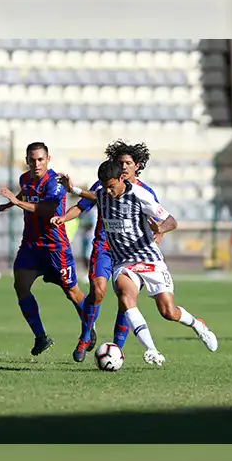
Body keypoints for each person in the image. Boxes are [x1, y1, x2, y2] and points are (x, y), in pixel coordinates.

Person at [56, 161, 218, 366]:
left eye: (111, 187)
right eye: (104, 187)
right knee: (126, 299)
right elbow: (95, 196)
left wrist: (160, 228)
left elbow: (171, 220)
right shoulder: (105, 194)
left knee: (168, 312)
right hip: (123, 263)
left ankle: (198, 325)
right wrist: (74, 189)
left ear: (122, 179)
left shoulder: (140, 196)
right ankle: (152, 350)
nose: (108, 191)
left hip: (149, 259)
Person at [57, 139, 160, 361]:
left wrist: (157, 235)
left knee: (126, 300)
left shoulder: (145, 192)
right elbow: (82, 206)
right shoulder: (103, 185)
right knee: (98, 291)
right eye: (120, 162)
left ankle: (116, 349)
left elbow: (157, 221)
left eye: (127, 163)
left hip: (133, 253)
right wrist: (63, 218)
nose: (123, 167)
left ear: (137, 166)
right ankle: (86, 335)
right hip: (104, 246)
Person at [0, 142, 93, 356]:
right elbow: (26, 193)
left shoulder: (54, 182)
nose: (36, 163)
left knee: (71, 292)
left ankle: (89, 327)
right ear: (27, 160)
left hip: (55, 247)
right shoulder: (24, 179)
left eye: (40, 159)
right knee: (21, 286)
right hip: (31, 245)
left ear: (48, 159)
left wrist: (16, 202)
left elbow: (46, 209)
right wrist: (9, 204)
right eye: (32, 160)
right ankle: (41, 337)